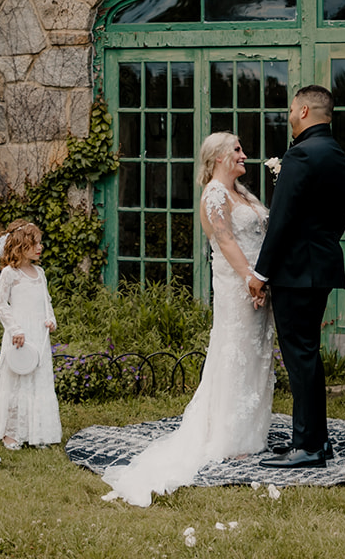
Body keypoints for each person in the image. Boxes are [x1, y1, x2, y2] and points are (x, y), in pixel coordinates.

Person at [101, 132, 275, 506]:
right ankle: (228, 437)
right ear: (217, 158)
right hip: (238, 285)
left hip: (258, 283)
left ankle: (250, 434)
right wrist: (249, 279)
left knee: (256, 353)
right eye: (237, 150)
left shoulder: (242, 193)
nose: (245, 154)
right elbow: (226, 239)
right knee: (235, 352)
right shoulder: (214, 193)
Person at [247, 84, 345, 469]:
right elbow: (338, 220)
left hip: (296, 273)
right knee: (309, 357)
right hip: (321, 266)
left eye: (292, 108)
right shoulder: (337, 155)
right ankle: (317, 441)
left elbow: (281, 222)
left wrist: (261, 272)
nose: (289, 113)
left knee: (300, 358)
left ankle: (307, 446)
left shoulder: (302, 154)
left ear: (305, 111)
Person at [0, 220, 61, 450]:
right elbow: (1, 304)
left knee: (37, 379)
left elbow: (45, 300)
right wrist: (15, 329)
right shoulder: (10, 274)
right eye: (35, 244)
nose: (40, 248)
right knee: (17, 379)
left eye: (40, 243)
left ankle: (37, 431)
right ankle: (11, 432)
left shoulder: (39, 273)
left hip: (38, 334)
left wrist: (50, 319)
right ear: (21, 246)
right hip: (20, 335)